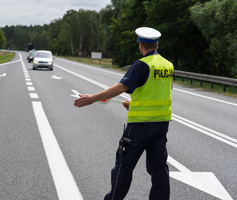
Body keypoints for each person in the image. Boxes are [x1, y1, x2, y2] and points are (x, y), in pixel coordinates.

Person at [74, 27, 174, 200]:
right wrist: (135, 103)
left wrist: (93, 98)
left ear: (140, 45)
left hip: (140, 124)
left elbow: (121, 87)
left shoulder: (142, 64)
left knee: (124, 165)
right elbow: (157, 91)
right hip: (161, 124)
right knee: (159, 170)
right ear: (157, 44)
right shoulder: (168, 65)